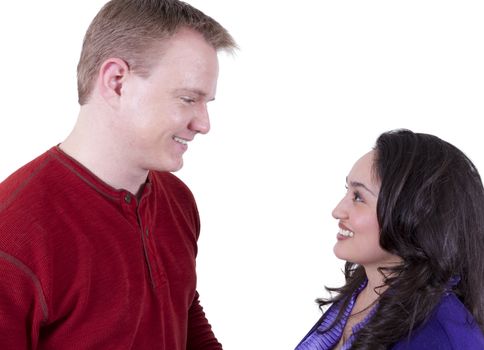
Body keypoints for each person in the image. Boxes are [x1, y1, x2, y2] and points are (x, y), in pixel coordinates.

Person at [0, 0, 236, 349]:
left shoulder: (177, 200)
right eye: (188, 99)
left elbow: (183, 313)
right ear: (117, 82)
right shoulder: (14, 233)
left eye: (206, 103)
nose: (203, 124)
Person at [295, 129, 484, 349]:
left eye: (358, 197)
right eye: (347, 190)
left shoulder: (447, 337)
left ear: (414, 213)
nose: (337, 211)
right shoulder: (361, 294)